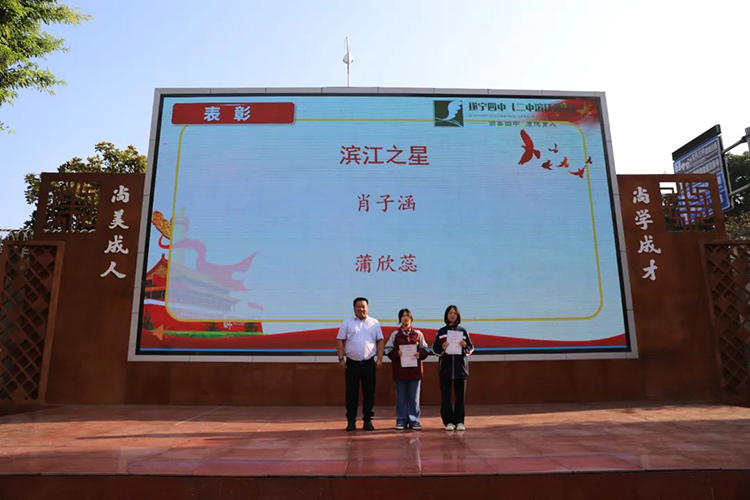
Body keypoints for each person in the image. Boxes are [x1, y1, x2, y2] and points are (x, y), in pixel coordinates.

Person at [336, 297, 384, 431]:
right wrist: (341, 359)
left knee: (369, 393)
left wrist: (380, 359)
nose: (361, 309)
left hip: (369, 363)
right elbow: (340, 340)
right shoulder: (347, 323)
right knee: (351, 393)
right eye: (358, 306)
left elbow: (380, 340)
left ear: (367, 308)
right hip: (352, 364)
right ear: (354, 308)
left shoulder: (374, 323)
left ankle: (367, 420)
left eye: (363, 306)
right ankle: (351, 421)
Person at [384, 308, 429, 430]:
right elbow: (387, 349)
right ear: (400, 319)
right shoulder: (395, 334)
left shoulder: (418, 334)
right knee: (401, 397)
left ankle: (414, 420)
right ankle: (401, 420)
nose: (405, 318)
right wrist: (396, 354)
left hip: (415, 371)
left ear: (411, 318)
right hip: (400, 371)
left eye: (407, 316)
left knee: (414, 398)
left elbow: (425, 349)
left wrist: (420, 354)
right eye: (403, 316)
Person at [432, 304, 474, 431]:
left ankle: (459, 421)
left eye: (454, 313)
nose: (452, 315)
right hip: (445, 369)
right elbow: (435, 350)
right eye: (450, 313)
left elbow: (470, 348)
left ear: (458, 315)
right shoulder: (441, 332)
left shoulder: (463, 331)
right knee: (446, 397)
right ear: (446, 315)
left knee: (460, 397)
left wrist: (465, 345)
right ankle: (448, 422)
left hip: (460, 369)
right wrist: (442, 347)